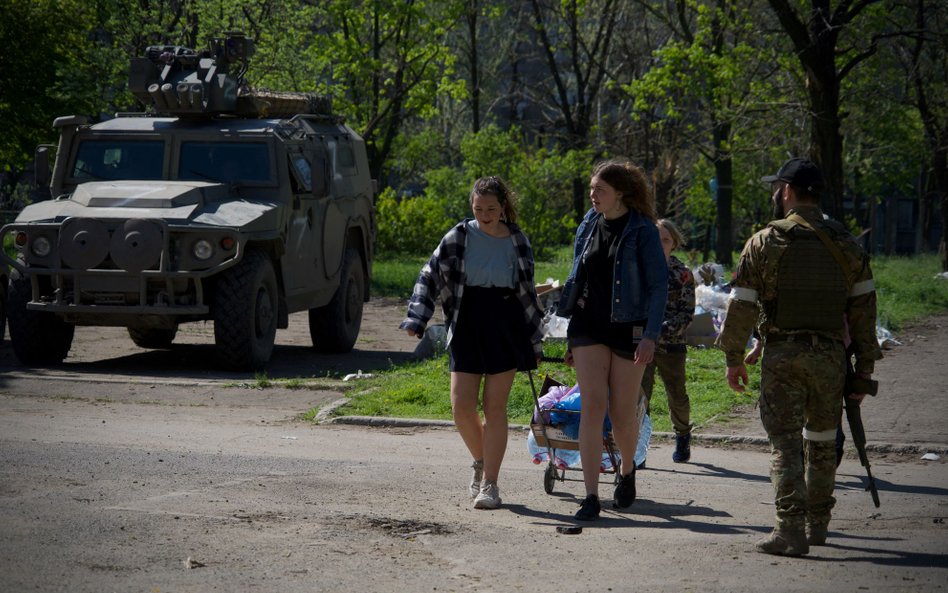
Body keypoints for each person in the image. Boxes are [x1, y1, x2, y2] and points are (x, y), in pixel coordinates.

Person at [715, 157, 881, 556]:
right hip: (829, 357)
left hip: (783, 355)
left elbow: (741, 306)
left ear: (787, 191)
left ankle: (790, 530)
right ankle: (818, 524)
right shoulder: (846, 242)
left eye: (779, 187)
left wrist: (734, 359)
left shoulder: (765, 241)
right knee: (823, 441)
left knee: (786, 443)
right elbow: (863, 312)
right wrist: (863, 372)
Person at [399, 176, 544, 511]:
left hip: (506, 323)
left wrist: (534, 339)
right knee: (461, 406)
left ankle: (490, 484)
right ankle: (481, 460)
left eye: (491, 208)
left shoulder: (518, 239)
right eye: (478, 209)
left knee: (495, 407)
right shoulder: (460, 235)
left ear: (503, 206)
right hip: (467, 321)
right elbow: (428, 274)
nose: (484, 214)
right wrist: (417, 318)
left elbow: (528, 291)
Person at [556, 159, 668, 521]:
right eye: (591, 189)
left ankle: (627, 471)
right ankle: (590, 495)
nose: (592, 195)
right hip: (588, 326)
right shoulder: (588, 224)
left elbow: (657, 286)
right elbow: (577, 275)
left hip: (628, 328)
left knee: (621, 413)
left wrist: (650, 336)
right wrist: (571, 336)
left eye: (599, 190)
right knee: (592, 407)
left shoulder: (643, 230)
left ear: (621, 193)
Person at [640, 219, 696, 465]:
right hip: (640, 346)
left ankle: (683, 436)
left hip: (670, 344)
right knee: (640, 396)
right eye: (656, 239)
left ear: (673, 243)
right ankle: (638, 446)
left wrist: (656, 333)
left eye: (665, 240)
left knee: (677, 395)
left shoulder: (682, 273)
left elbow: (686, 314)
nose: (660, 244)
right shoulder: (638, 270)